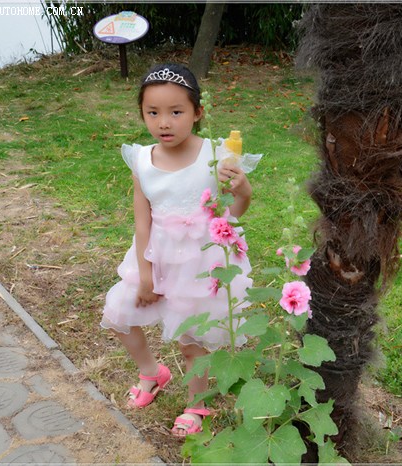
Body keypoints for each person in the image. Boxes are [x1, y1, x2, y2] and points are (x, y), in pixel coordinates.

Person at [100, 63, 253, 437]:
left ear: (198, 112)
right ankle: (152, 372)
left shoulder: (215, 154)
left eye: (176, 112)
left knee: (192, 340)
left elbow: (233, 211)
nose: (164, 123)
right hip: (157, 254)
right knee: (119, 311)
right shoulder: (142, 160)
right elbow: (142, 222)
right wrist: (146, 274)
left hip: (202, 260)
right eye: (152, 112)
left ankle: (196, 404)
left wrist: (243, 189)